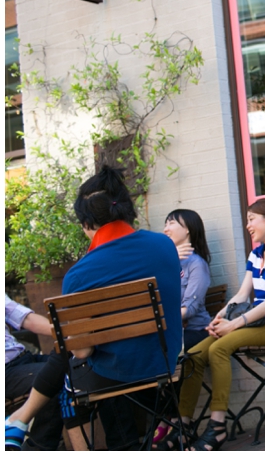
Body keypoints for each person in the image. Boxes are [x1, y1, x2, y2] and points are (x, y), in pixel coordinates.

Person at [4, 165, 182, 450]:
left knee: (76, 367)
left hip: (118, 372)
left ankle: (24, 426)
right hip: (165, 361)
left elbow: (82, 350)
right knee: (88, 359)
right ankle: (21, 422)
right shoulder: (164, 245)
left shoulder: (79, 274)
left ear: (87, 223)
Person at [162, 198, 265, 452]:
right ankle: (183, 427)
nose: (248, 225)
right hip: (254, 322)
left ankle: (217, 426)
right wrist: (221, 316)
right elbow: (241, 295)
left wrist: (235, 324)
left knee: (218, 349)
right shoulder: (256, 254)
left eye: (252, 219)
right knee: (194, 355)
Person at [5, 295, 64, 450]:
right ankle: (36, 448)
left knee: (85, 367)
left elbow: (27, 319)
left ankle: (121, 443)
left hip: (23, 358)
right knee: (56, 379)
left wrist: (66, 333)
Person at [163, 209, 213, 352]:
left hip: (195, 330)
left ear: (187, 230)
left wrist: (162, 322)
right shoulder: (165, 262)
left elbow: (190, 307)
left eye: (171, 223)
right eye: (165, 224)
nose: (166, 229)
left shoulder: (196, 264)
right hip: (171, 329)